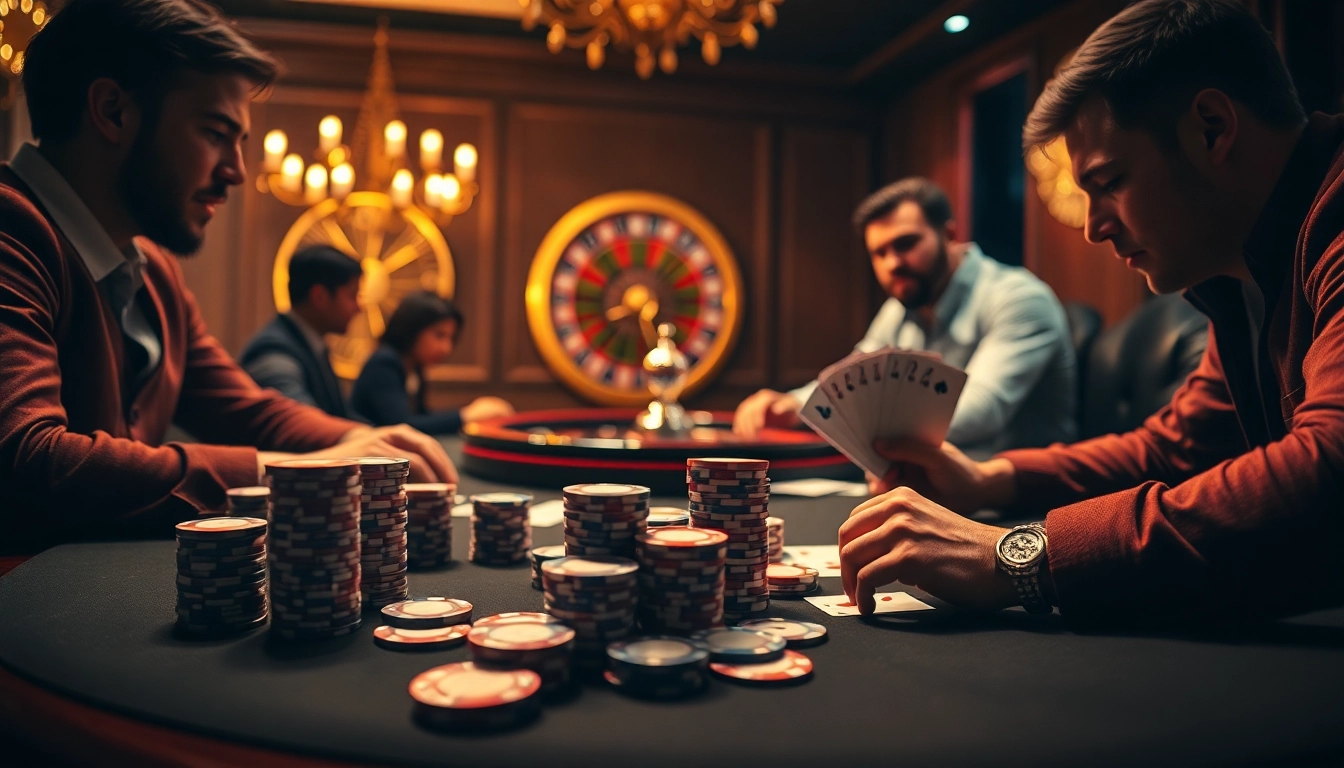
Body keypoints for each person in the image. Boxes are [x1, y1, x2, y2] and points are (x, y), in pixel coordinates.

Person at [838, 0, 1344, 623]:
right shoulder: (1242, 274)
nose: (1094, 227)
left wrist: (1018, 557)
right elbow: (1177, 450)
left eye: (1109, 181)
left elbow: (1332, 475)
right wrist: (988, 481)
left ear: (1212, 128)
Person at [0, 0, 456, 555]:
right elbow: (26, 462)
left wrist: (352, 440)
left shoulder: (155, 269)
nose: (237, 173)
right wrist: (285, 470)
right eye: (216, 133)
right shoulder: (11, 231)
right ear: (113, 111)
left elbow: (245, 407)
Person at [732, 177, 1077, 458]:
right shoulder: (903, 305)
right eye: (879, 253)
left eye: (906, 243)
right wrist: (794, 404)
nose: (892, 263)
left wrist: (848, 416)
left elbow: (981, 412)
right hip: (932, 482)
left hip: (1024, 500)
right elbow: (853, 376)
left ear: (949, 235)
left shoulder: (1019, 299)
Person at [351, 292, 515, 435]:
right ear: (411, 330)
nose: (446, 348)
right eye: (439, 335)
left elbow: (421, 416)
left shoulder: (413, 366)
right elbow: (403, 426)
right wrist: (466, 415)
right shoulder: (383, 363)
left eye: (451, 338)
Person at [239, 245, 363, 418]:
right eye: (352, 295)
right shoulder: (274, 351)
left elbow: (342, 417)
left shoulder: (312, 345)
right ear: (319, 296)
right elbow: (301, 419)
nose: (360, 307)